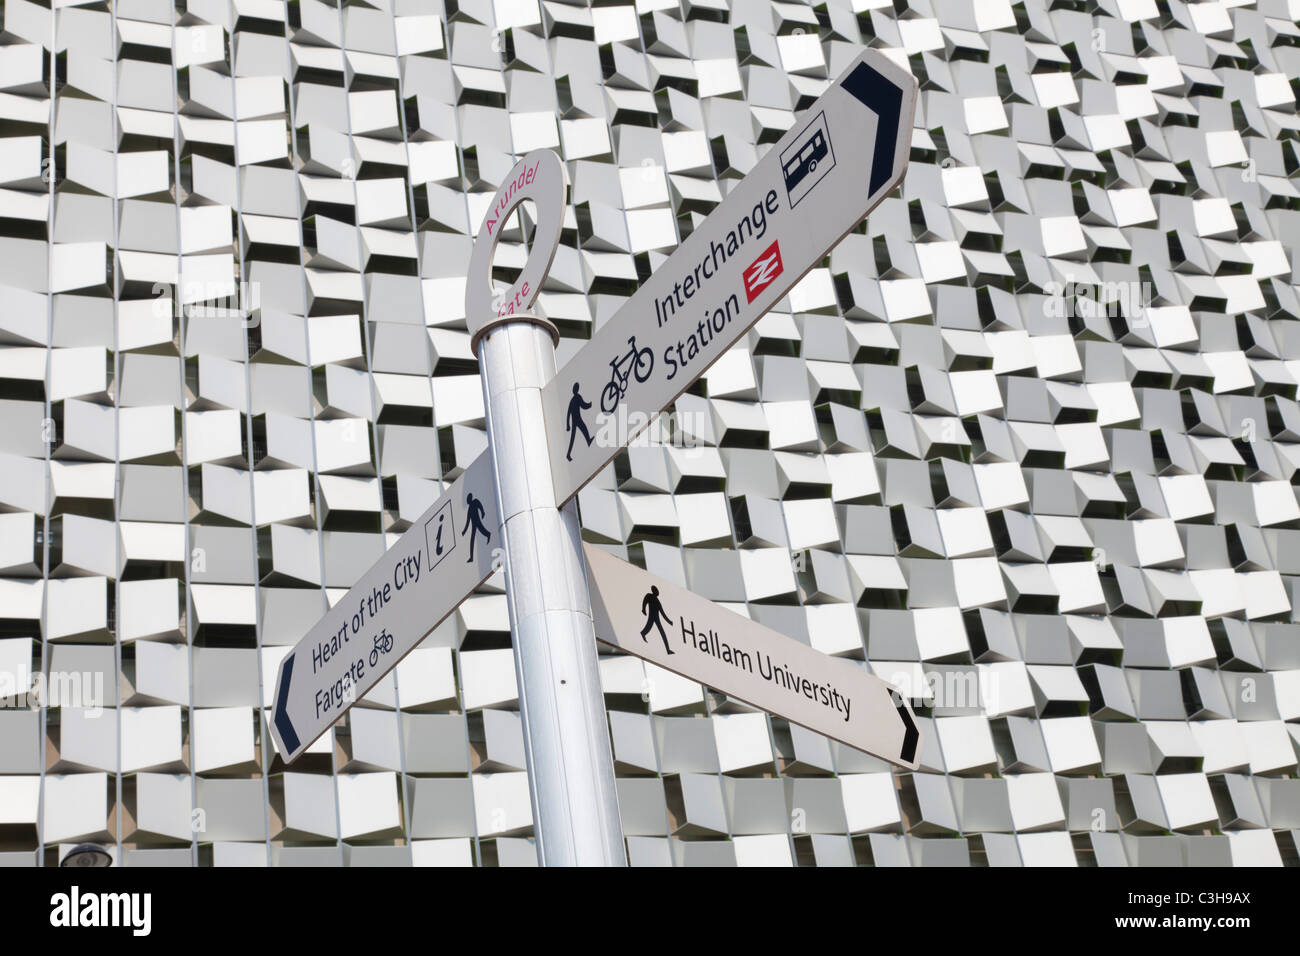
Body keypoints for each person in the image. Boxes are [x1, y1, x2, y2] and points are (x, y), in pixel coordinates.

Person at [640, 586, 674, 655]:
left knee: (661, 632)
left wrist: (669, 621)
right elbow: (645, 601)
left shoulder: (658, 601)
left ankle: (668, 650)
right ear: (653, 591)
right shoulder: (649, 596)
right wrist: (643, 609)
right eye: (656, 590)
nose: (657, 592)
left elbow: (662, 613)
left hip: (656, 618)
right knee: (650, 627)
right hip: (652, 617)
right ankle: (643, 633)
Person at [565, 382, 593, 462]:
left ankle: (588, 441)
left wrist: (568, 424)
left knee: (583, 430)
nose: (575, 389)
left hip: (576, 419)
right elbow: (583, 405)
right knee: (573, 437)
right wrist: (590, 405)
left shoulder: (573, 399)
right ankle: (568, 454)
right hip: (576, 419)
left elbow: (569, 413)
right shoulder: (576, 398)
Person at [462, 492, 490, 562]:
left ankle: (488, 535)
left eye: (468, 499)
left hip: (477, 522)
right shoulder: (469, 509)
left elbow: (480, 506)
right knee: (472, 539)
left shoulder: (475, 501)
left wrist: (483, 512)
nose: (467, 501)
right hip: (474, 525)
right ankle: (471, 557)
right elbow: (467, 522)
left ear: (470, 498)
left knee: (483, 531)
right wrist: (464, 531)